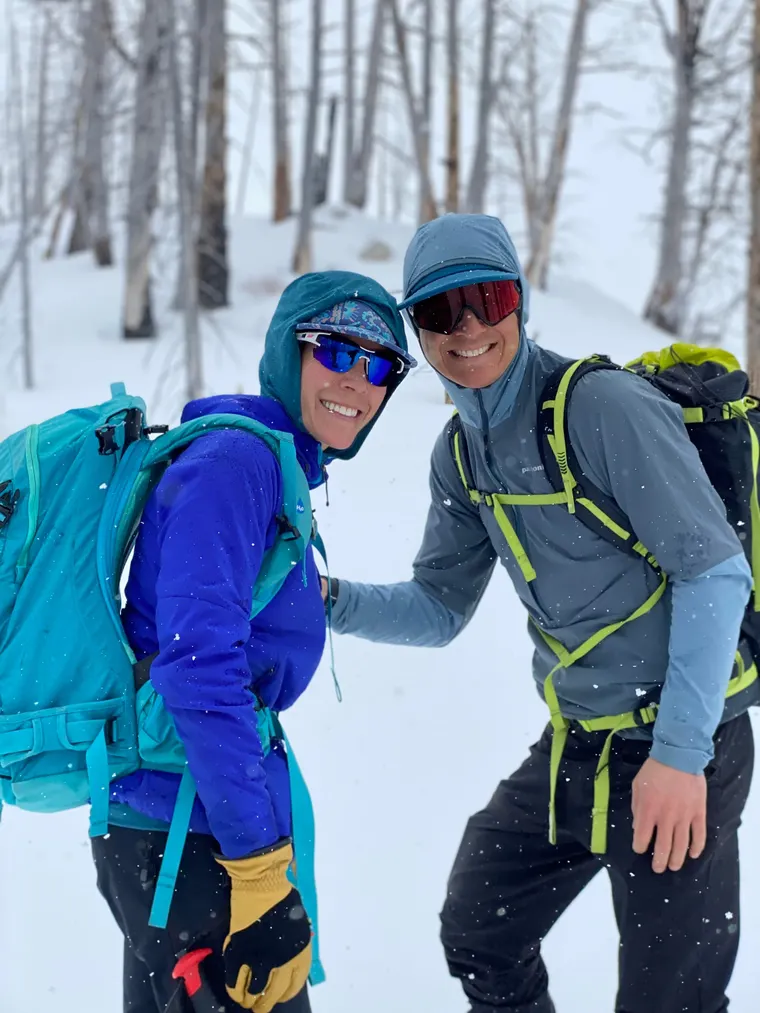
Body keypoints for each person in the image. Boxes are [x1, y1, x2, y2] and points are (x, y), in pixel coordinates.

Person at [326, 214, 757, 1013]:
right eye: (440, 310)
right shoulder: (461, 455)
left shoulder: (601, 407)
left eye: (487, 299)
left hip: (685, 739)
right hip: (580, 743)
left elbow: (715, 571)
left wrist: (679, 756)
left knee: (672, 1001)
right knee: (481, 928)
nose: (468, 328)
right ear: (419, 329)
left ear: (519, 301)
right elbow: (438, 605)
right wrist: (328, 602)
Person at [91, 270, 415, 1013]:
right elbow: (199, 666)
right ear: (285, 352)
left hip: (184, 821)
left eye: (379, 366)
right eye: (336, 350)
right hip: (190, 832)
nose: (357, 380)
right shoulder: (236, 463)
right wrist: (259, 868)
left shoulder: (269, 464)